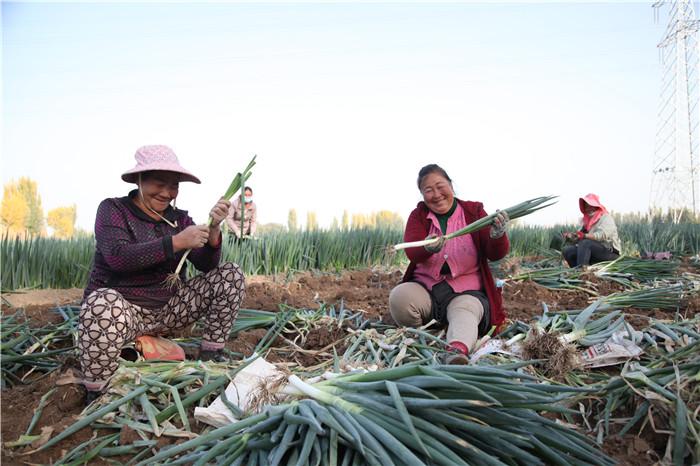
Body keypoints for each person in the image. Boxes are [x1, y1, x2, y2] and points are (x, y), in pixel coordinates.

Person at [79, 145, 246, 402]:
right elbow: (118, 257)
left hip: (170, 312)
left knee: (230, 275)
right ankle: (99, 392)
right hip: (122, 314)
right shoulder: (113, 210)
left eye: (174, 186)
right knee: (101, 305)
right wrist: (175, 243)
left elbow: (207, 266)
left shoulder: (180, 220)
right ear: (140, 180)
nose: (168, 193)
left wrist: (214, 230)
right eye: (160, 184)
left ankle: (211, 354)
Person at [389, 164, 510, 365]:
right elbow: (413, 252)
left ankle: (456, 350)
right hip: (427, 290)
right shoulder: (418, 216)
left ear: (451, 185)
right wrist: (427, 248)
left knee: (465, 311)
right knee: (400, 298)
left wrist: (498, 235)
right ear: (422, 195)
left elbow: (495, 253)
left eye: (440, 186)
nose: (436, 194)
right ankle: (426, 333)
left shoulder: (474, 212)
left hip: (465, 292)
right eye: (428, 190)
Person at [562, 193, 621, 268]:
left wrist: (584, 235)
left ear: (596, 206)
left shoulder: (606, 218)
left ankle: (582, 272)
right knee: (568, 250)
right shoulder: (586, 222)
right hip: (594, 253)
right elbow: (578, 237)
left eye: (591, 206)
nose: (589, 209)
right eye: (586, 207)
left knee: (585, 243)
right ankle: (576, 271)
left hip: (610, 254)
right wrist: (571, 236)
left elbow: (601, 235)